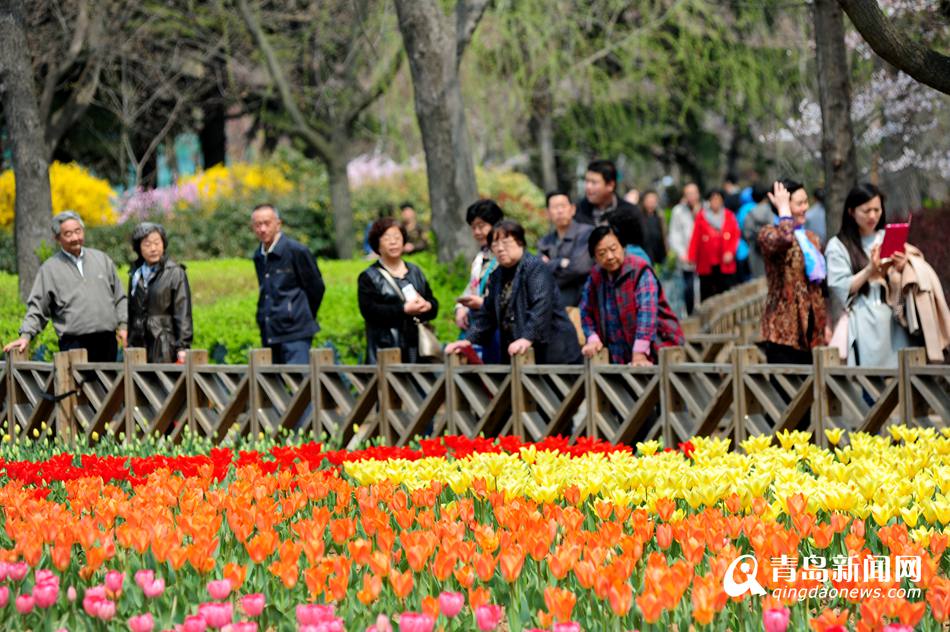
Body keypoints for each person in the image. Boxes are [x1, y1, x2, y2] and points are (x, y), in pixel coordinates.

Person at [445, 220, 582, 364]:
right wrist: (468, 340)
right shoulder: (497, 274)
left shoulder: (536, 267)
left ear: (520, 242)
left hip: (555, 353)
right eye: (495, 244)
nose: (500, 248)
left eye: (506, 242)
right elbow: (487, 314)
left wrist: (527, 338)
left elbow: (541, 307)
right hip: (519, 355)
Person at [4, 211, 127, 362]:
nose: (75, 238)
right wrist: (25, 336)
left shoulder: (102, 259)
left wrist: (123, 325)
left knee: (108, 385)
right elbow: (37, 308)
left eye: (78, 231)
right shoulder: (50, 269)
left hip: (107, 341)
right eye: (68, 234)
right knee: (76, 385)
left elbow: (120, 297)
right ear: (57, 238)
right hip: (73, 343)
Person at [825, 183, 910, 367]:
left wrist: (902, 267)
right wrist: (869, 270)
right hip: (863, 319)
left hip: (893, 317)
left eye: (877, 210)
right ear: (851, 211)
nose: (872, 216)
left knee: (900, 378)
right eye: (866, 211)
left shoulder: (887, 236)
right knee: (869, 381)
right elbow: (841, 287)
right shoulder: (837, 245)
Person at [579, 226, 684, 365]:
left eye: (613, 249)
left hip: (656, 349)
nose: (609, 256)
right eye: (602, 253)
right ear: (595, 257)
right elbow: (585, 310)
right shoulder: (596, 276)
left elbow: (647, 312)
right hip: (617, 352)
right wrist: (592, 338)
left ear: (623, 246)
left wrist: (640, 353)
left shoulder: (640, 270)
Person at [757, 180, 827, 364]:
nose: (806, 207)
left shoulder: (811, 238)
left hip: (812, 332)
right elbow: (785, 240)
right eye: (800, 203)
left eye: (806, 202)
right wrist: (784, 211)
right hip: (783, 332)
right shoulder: (768, 234)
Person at [251, 204, 326, 364]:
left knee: (299, 383)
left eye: (267, 223)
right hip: (270, 330)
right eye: (258, 225)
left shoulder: (296, 251)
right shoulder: (259, 255)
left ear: (278, 224)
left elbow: (316, 288)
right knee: (272, 386)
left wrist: (298, 313)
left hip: (295, 332)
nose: (262, 229)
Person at [358, 217, 439, 363]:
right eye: (387, 238)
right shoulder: (369, 277)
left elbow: (432, 303)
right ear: (377, 244)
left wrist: (428, 306)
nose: (393, 242)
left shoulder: (415, 271)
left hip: (418, 350)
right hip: (386, 350)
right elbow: (369, 311)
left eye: (397, 237)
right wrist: (404, 309)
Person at [127, 223, 193, 363]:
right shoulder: (135, 274)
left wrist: (183, 346)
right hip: (138, 345)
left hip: (164, 344)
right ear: (138, 248)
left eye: (157, 243)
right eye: (147, 244)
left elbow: (182, 311)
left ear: (163, 244)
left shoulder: (175, 273)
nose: (153, 248)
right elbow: (131, 312)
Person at [455, 199, 504, 363]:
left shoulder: (504, 256)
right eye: (473, 227)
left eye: (481, 226)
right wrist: (461, 308)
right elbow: (471, 287)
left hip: (499, 327)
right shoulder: (480, 258)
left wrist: (483, 303)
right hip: (479, 324)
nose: (477, 232)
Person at [537, 192, 594, 307]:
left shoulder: (586, 233)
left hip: (583, 302)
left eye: (563, 206)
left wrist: (550, 265)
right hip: (554, 305)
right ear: (548, 213)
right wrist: (560, 263)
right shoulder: (544, 242)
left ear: (572, 209)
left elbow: (580, 267)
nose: (559, 211)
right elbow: (538, 272)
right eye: (555, 207)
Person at [687, 189, 740, 301]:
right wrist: (691, 256)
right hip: (707, 262)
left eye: (718, 199)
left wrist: (730, 251)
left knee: (725, 291)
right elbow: (695, 238)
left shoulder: (729, 215)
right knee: (707, 292)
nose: (715, 202)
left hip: (724, 260)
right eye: (713, 199)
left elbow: (735, 235)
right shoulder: (701, 217)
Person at [575, 159, 643, 227]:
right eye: (586, 181)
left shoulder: (629, 213)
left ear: (610, 185)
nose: (588, 187)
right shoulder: (578, 211)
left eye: (594, 182)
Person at [668, 182, 702, 315]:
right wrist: (682, 253)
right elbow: (674, 235)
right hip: (686, 256)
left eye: (694, 193)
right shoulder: (678, 211)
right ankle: (689, 314)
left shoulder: (704, 209)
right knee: (688, 288)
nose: (692, 196)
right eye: (688, 194)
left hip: (703, 257)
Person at [742, 184, 773, 279]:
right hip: (770, 250)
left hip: (755, 253)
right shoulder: (771, 211)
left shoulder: (748, 214)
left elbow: (746, 234)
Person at [639, 189, 667, 266]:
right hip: (644, 256)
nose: (651, 202)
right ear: (644, 201)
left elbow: (663, 236)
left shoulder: (659, 216)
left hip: (659, 256)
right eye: (649, 199)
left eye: (654, 200)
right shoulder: (639, 217)